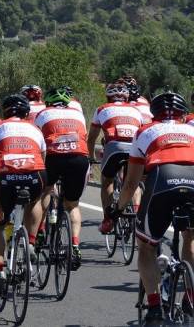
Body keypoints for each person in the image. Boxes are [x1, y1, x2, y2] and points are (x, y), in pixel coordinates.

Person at [107, 92, 194, 325]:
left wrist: (118, 208)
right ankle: (190, 297)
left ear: (153, 114)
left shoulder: (146, 131)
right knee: (191, 237)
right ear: (183, 113)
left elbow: (131, 183)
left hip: (163, 180)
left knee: (146, 247)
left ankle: (154, 307)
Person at [0, 94, 47, 299]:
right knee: (35, 201)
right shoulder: (35, 129)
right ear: (26, 113)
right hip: (35, 174)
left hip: (5, 177)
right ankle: (30, 242)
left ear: (5, 112)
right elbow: (42, 158)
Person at [34, 87, 89, 270]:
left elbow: (38, 141)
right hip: (78, 157)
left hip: (53, 156)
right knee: (72, 204)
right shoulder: (78, 114)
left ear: (48, 102)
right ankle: (75, 245)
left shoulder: (42, 114)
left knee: (45, 191)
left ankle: (40, 230)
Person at [87, 83, 145, 233]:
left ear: (108, 97)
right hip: (135, 147)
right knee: (134, 182)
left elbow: (92, 138)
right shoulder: (136, 110)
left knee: (107, 181)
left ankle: (108, 220)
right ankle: (137, 212)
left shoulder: (102, 109)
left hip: (114, 147)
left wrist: (91, 158)